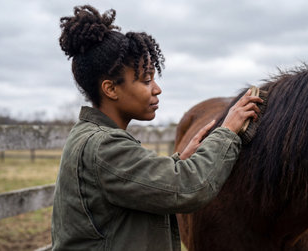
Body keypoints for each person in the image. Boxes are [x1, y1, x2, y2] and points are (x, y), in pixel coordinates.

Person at [52, 5, 262, 251]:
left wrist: (179, 160)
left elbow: (135, 183)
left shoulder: (90, 136)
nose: (156, 89)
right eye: (146, 79)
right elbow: (188, 188)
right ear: (110, 89)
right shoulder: (104, 147)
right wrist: (227, 132)